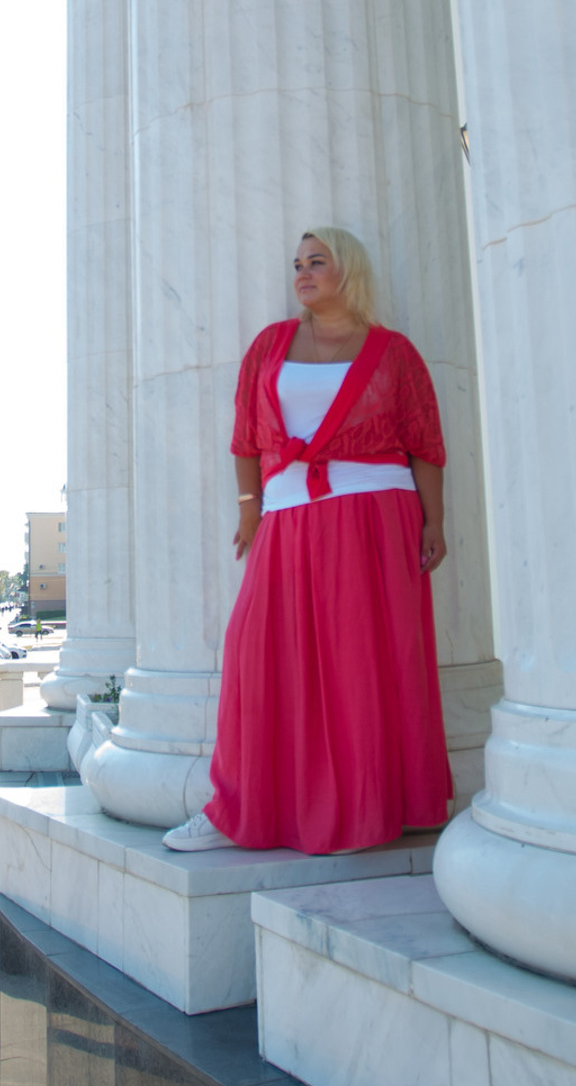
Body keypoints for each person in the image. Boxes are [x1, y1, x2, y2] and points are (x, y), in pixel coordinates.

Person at [163, 227, 454, 856]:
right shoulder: (271, 345)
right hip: (290, 515)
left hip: (378, 517)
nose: (303, 273)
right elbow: (245, 437)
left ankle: (373, 808)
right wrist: (250, 509)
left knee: (364, 664)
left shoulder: (393, 352)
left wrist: (434, 522)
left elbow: (424, 444)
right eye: (298, 263)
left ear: (346, 270)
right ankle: (238, 807)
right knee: (255, 653)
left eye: (316, 262)